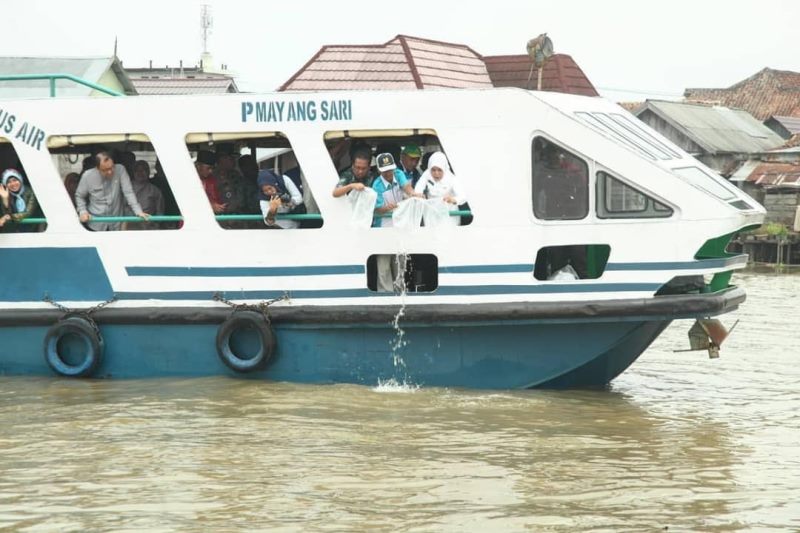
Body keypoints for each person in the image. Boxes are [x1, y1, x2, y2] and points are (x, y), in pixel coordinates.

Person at [75, 152, 148, 231]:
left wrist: (138, 211)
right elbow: (79, 196)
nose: (110, 172)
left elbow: (128, 192)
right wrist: (83, 211)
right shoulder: (87, 176)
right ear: (97, 168)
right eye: (105, 170)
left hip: (116, 224)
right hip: (95, 223)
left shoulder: (120, 170)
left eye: (112, 167)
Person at [414, 151, 467, 226]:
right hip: (431, 214)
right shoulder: (427, 174)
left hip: (449, 214)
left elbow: (463, 196)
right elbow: (418, 189)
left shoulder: (451, 178)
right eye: (433, 170)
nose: (436, 173)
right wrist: (418, 195)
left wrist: (453, 199)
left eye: (439, 170)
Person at [370, 152, 417, 227]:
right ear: (379, 170)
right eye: (385, 171)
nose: (388, 173)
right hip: (384, 223)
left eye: (390, 170)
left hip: (401, 220)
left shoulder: (398, 173)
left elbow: (406, 186)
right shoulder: (377, 186)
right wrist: (386, 208)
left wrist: (413, 193)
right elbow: (377, 209)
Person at [126, 160, 164, 230]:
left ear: (148, 172)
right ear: (133, 172)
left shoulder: (155, 190)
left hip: (148, 226)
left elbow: (160, 213)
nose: (140, 173)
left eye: (144, 170)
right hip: (129, 225)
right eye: (137, 170)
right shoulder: (126, 188)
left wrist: (154, 223)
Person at [195, 150, 226, 215]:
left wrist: (219, 207)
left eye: (212, 168)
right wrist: (210, 207)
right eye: (208, 168)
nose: (211, 171)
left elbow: (216, 199)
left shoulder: (212, 180)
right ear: (198, 165)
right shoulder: (187, 179)